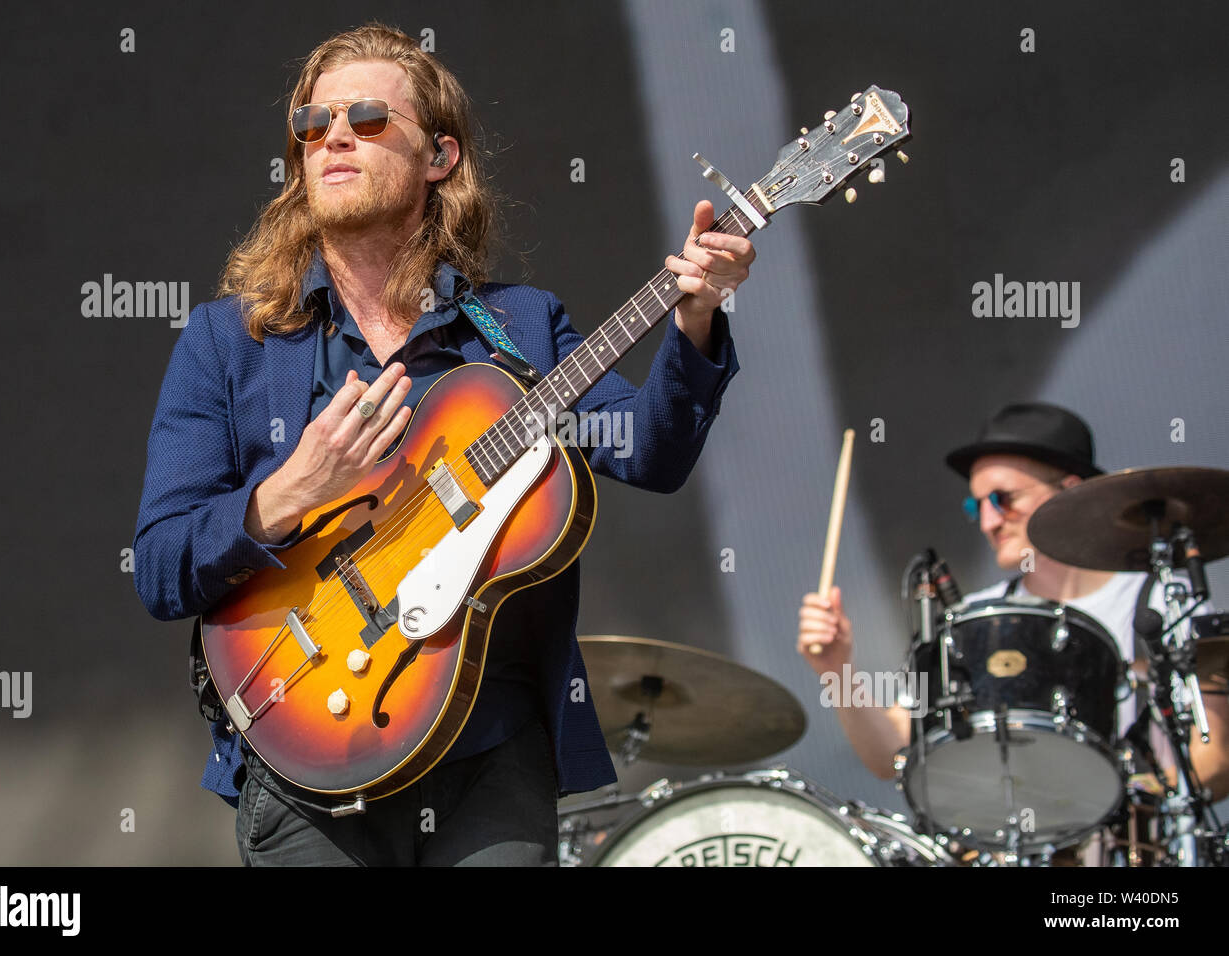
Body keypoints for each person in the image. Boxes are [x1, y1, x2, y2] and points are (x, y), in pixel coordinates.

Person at [132, 24, 754, 866]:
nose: (333, 137)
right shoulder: (227, 342)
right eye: (311, 126)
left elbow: (649, 451)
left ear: (440, 156)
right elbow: (164, 566)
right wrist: (292, 491)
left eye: (366, 118)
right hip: (304, 761)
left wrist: (695, 318)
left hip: (489, 761)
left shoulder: (520, 326)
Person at [797, 402, 1229, 809]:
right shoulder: (976, 618)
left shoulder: (1158, 601)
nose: (987, 521)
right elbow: (893, 751)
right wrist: (838, 669)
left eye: (1003, 499)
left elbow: (1215, 762)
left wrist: (1105, 806)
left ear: (1069, 492)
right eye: (975, 504)